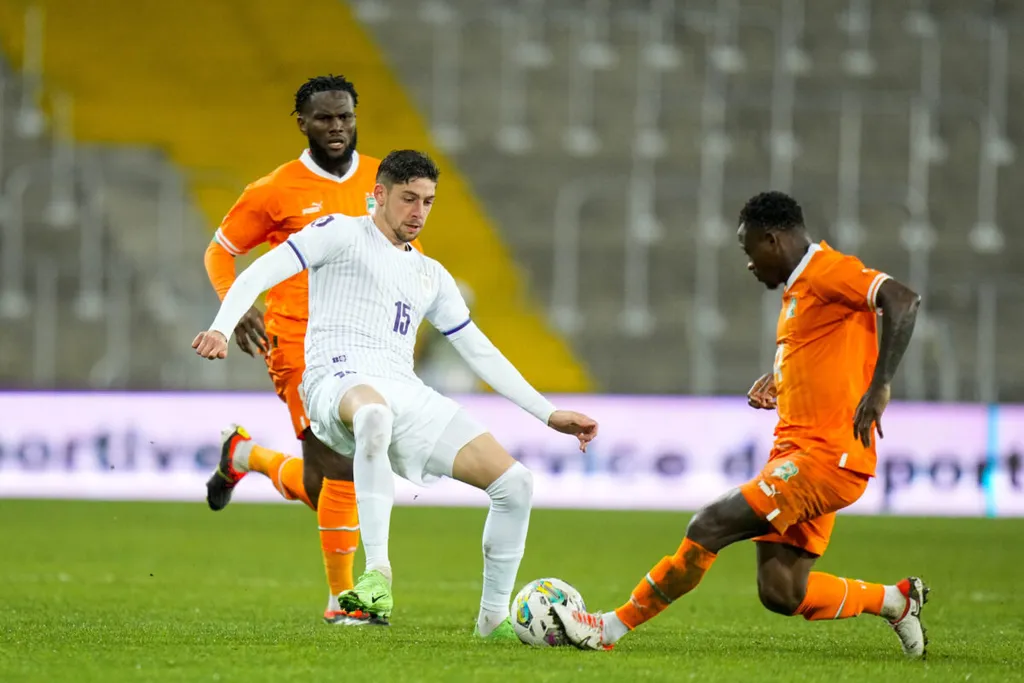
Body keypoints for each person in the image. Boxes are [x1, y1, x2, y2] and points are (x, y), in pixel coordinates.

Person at [193, 150, 599, 637]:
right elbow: (258, 272)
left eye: (428, 201)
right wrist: (221, 326)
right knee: (374, 417)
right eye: (409, 198)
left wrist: (548, 414)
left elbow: (481, 353)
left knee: (515, 485)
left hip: (402, 389)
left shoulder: (430, 274)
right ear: (379, 195)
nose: (419, 212)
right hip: (334, 379)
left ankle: (492, 625)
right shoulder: (339, 232)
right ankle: (377, 575)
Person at [553, 191, 929, 658]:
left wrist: (881, 386)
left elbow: (903, 301)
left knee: (709, 524)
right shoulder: (801, 289)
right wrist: (784, 377)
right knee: (781, 591)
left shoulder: (828, 270)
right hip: (801, 453)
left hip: (826, 458)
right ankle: (896, 601)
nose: (749, 263)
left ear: (772, 240)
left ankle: (608, 629)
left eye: (748, 249)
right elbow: (827, 349)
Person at [203, 74, 424, 623]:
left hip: (365, 342)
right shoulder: (275, 190)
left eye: (345, 116)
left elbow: (405, 255)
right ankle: (343, 601)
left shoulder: (382, 178)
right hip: (298, 340)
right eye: (324, 118)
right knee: (344, 467)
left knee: (323, 481)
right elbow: (219, 251)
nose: (336, 127)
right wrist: (237, 303)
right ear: (301, 123)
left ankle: (244, 456)